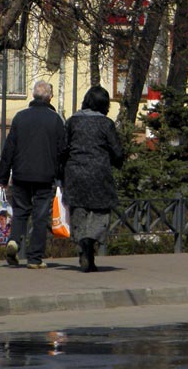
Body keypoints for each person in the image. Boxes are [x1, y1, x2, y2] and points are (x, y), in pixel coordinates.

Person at [0, 80, 67, 269]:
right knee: (40, 216)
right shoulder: (55, 120)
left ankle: (14, 241)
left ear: (34, 96)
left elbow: (9, 149)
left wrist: (2, 177)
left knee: (20, 211)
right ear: (50, 97)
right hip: (45, 176)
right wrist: (62, 177)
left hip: (20, 174)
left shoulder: (20, 117)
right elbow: (62, 152)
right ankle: (35, 258)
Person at [61, 85, 124, 272]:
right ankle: (91, 240)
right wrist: (117, 162)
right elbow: (117, 151)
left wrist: (61, 171)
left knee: (78, 210)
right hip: (99, 173)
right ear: (105, 105)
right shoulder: (106, 124)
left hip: (75, 172)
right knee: (101, 212)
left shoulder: (72, 122)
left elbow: (63, 148)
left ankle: (82, 242)